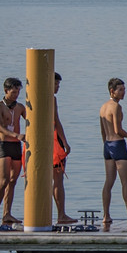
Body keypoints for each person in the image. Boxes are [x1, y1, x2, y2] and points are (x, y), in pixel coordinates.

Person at [99, 78, 127, 224]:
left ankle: (106, 215)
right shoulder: (116, 107)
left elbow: (103, 131)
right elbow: (118, 129)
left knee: (109, 181)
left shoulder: (103, 107)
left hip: (108, 145)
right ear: (112, 91)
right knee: (126, 182)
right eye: (120, 90)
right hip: (118, 144)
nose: (124, 92)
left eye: (124, 89)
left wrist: (106, 144)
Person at [0, 78, 26, 225]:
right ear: (6, 91)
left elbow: (32, 119)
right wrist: (16, 135)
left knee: (13, 181)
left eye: (18, 91)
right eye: (13, 92)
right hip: (5, 145)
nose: (16, 94)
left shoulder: (20, 107)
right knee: (4, 180)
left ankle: (7, 213)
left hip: (16, 147)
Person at [52, 72, 77, 224]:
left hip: (51, 140)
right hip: (51, 142)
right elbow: (55, 121)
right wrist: (64, 142)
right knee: (57, 179)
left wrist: (64, 142)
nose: (57, 87)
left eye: (58, 85)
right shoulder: (47, 98)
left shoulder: (49, 98)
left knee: (56, 179)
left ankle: (60, 214)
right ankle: (60, 214)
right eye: (55, 84)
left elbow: (56, 121)